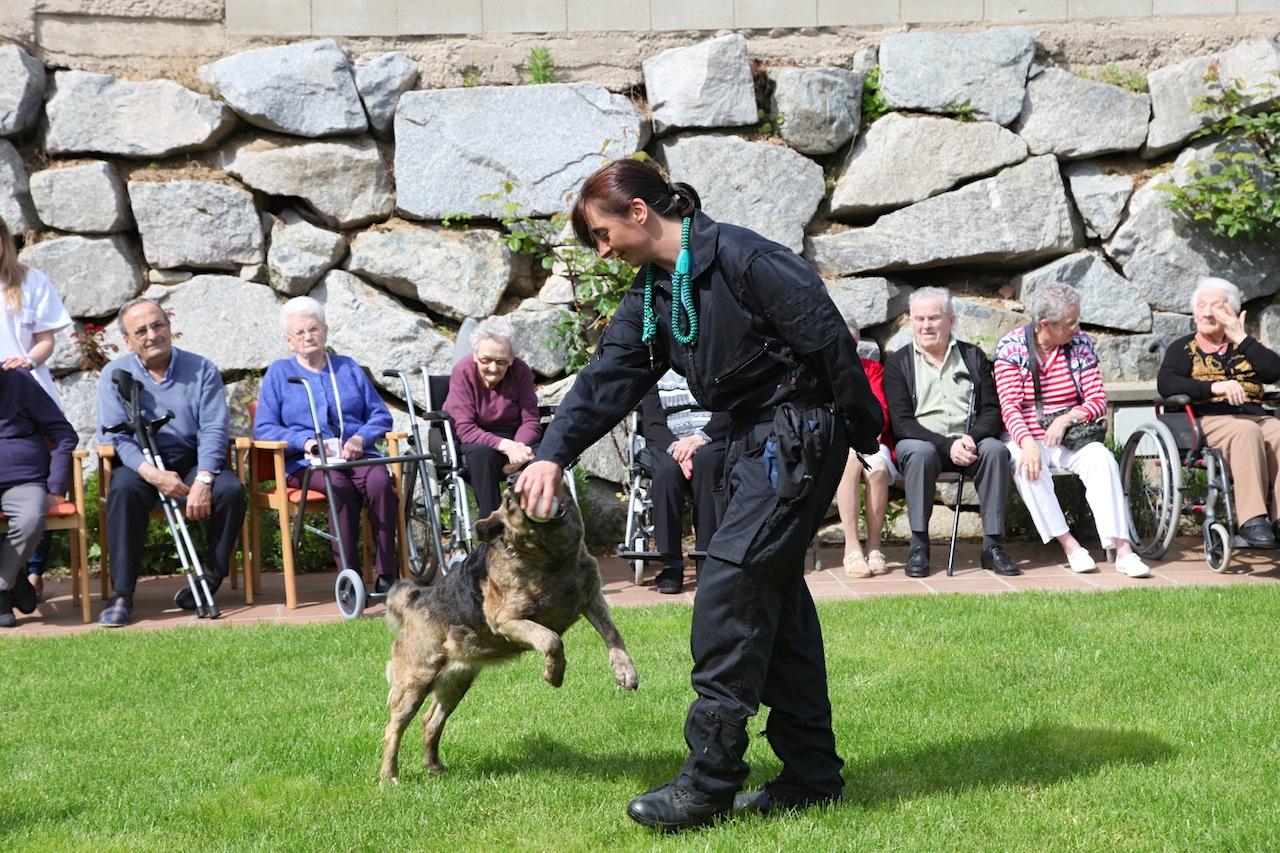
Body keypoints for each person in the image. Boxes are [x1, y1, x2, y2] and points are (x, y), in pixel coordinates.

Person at [514, 160, 883, 830]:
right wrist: (551, 452)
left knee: (729, 589)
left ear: (638, 212)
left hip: (798, 430)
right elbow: (608, 377)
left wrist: (861, 433)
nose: (603, 251)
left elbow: (829, 342)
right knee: (773, 597)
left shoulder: (746, 260)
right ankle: (811, 775)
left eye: (602, 234)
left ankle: (710, 781)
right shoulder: (655, 293)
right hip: (746, 438)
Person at [96, 298, 247, 627]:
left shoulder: (202, 369)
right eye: (141, 330)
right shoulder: (114, 374)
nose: (152, 334)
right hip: (141, 464)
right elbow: (117, 438)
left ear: (169, 327)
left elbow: (213, 428)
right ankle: (122, 594)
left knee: (230, 491)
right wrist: (154, 475)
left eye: (158, 325)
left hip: (192, 457)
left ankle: (209, 579)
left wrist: (204, 480)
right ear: (128, 340)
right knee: (122, 492)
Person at [993, 282, 1150, 577]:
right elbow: (1009, 407)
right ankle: (1071, 546)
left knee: (1102, 459)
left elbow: (1097, 400)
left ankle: (1124, 549)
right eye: (1070, 323)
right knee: (1027, 467)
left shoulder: (1081, 345)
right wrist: (1027, 443)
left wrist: (1067, 419)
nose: (1077, 328)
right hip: (1025, 434)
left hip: (1071, 435)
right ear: (1045, 325)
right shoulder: (1012, 348)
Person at [255, 296, 400, 592]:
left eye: (314, 329)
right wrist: (303, 441)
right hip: (306, 464)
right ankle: (350, 577)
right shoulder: (279, 374)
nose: (308, 336)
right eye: (300, 333)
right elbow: (265, 428)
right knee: (339, 487)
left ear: (326, 331)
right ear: (289, 340)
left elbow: (381, 416)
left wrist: (361, 438)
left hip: (357, 456)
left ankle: (387, 575)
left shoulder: (347, 367)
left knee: (379, 482)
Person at [883, 288, 1017, 578]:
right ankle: (919, 546)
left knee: (995, 450)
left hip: (969, 443)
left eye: (933, 317)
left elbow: (992, 410)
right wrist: (947, 445)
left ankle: (993, 546)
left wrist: (971, 438)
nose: (926, 325)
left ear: (951, 320)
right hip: (923, 443)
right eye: (919, 318)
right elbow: (902, 422)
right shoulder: (898, 363)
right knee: (919, 453)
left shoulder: (972, 356)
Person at [1156, 277, 1280, 547]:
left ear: (1233, 313)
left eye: (1216, 306)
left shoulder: (1245, 346)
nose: (1207, 312)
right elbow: (1167, 383)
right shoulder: (1183, 349)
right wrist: (1215, 387)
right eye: (1201, 306)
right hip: (1208, 420)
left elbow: (1275, 370)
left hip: (1254, 415)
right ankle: (1252, 520)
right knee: (1246, 431)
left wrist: (1241, 338)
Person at [0, 218, 73, 601]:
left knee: (38, 485)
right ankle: (12, 588)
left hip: (29, 393)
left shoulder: (30, 281)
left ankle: (32, 574)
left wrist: (26, 361)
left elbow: (46, 340)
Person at [638, 368, 729, 594]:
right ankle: (670, 564)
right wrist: (678, 449)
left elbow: (728, 411)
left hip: (709, 439)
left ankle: (707, 561)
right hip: (669, 443)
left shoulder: (715, 361)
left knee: (708, 463)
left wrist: (699, 439)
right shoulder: (654, 371)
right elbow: (652, 424)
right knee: (666, 473)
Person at [443, 315, 542, 519]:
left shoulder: (521, 371)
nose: (493, 368)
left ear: (511, 359)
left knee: (547, 450)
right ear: (475, 354)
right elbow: (465, 429)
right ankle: (492, 526)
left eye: (501, 362)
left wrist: (519, 448)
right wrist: (507, 446)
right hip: (475, 441)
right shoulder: (463, 372)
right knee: (482, 454)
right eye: (486, 360)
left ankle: (537, 525)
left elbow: (530, 420)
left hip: (515, 440)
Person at [0, 367, 76, 627]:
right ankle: (15, 584)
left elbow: (63, 434)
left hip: (24, 476)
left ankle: (1, 587)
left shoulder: (18, 381)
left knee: (31, 519)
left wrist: (56, 487)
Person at [836, 320, 895, 578]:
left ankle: (874, 547)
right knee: (848, 461)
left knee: (878, 469)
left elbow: (880, 410)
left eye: (852, 338)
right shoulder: (821, 371)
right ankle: (852, 548)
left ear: (858, 339)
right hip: (837, 444)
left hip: (871, 440)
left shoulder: (872, 369)